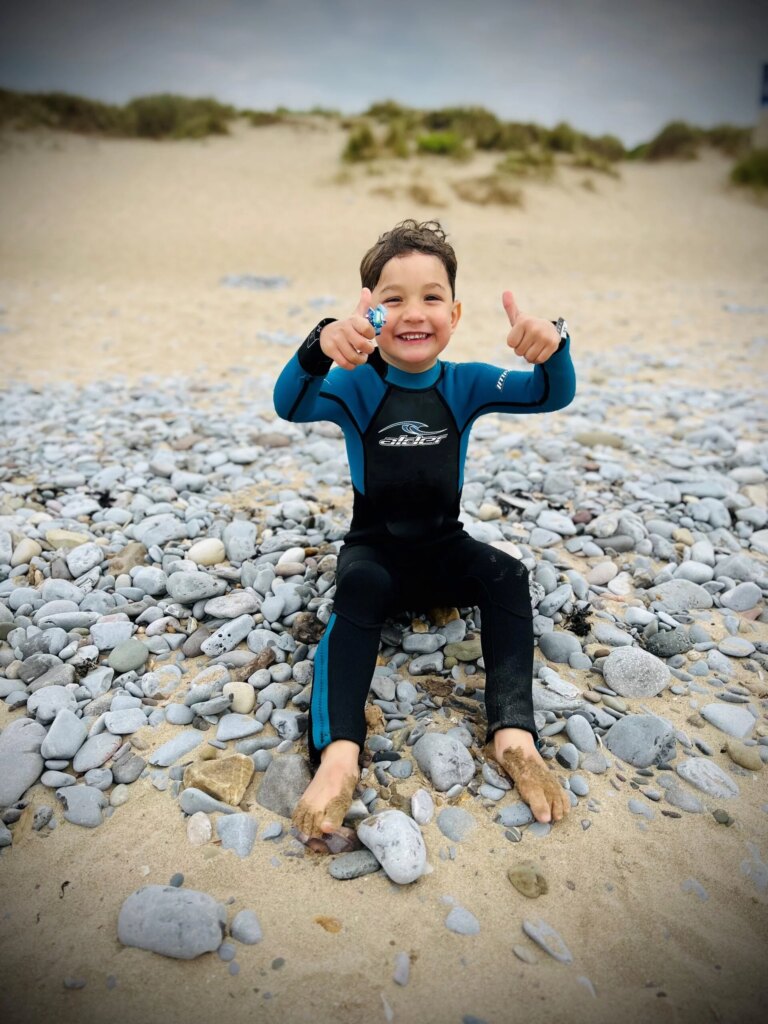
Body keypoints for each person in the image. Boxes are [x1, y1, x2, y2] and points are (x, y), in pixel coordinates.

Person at [273, 219, 576, 853]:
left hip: (443, 548)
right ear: (368, 313)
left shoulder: (465, 382)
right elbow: (290, 404)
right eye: (392, 298)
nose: (414, 313)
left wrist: (556, 344)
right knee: (356, 589)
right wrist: (318, 344)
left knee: (507, 576)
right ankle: (339, 754)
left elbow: (549, 394)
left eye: (431, 297)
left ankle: (513, 734)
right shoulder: (354, 382)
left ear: (456, 313)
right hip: (375, 551)